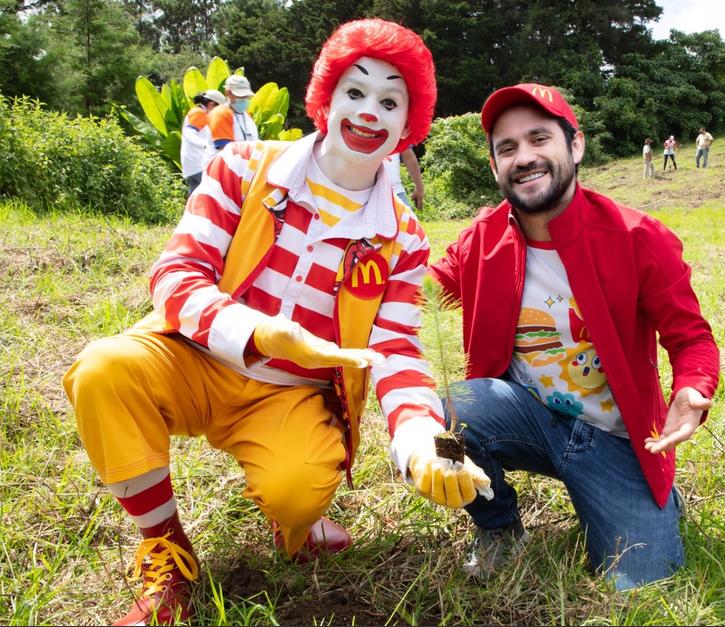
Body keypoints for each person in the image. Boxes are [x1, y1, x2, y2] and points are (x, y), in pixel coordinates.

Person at [62, 19, 490, 625]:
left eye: (391, 102)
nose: (370, 112)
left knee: (297, 490)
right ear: (326, 97)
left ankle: (294, 512)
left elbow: (395, 347)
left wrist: (420, 441)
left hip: (291, 395)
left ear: (407, 126)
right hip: (196, 357)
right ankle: (165, 546)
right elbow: (176, 274)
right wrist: (256, 332)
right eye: (356, 92)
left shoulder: (404, 238)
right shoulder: (241, 167)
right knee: (103, 371)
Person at [429, 83, 720, 590]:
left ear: (576, 146)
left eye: (539, 139)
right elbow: (413, 296)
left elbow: (691, 336)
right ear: (495, 166)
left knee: (641, 581)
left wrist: (693, 387)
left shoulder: (637, 236)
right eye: (507, 148)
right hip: (528, 418)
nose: (525, 157)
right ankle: (498, 528)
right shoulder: (481, 240)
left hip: (618, 440)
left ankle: (653, 498)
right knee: (441, 412)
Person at [203, 74, 260, 167]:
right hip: (221, 170)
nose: (243, 99)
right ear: (228, 93)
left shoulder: (247, 116)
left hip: (242, 169)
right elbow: (226, 149)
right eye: (240, 95)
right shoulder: (220, 113)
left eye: (246, 96)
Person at [180, 90, 225, 196]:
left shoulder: (202, 113)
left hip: (193, 164)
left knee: (195, 196)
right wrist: (206, 145)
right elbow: (188, 133)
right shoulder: (199, 113)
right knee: (214, 193)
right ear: (211, 105)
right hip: (198, 163)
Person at [384, 144, 424, 210]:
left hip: (396, 191)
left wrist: (419, 187)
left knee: (408, 219)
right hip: (366, 193)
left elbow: (409, 158)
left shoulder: (398, 135)